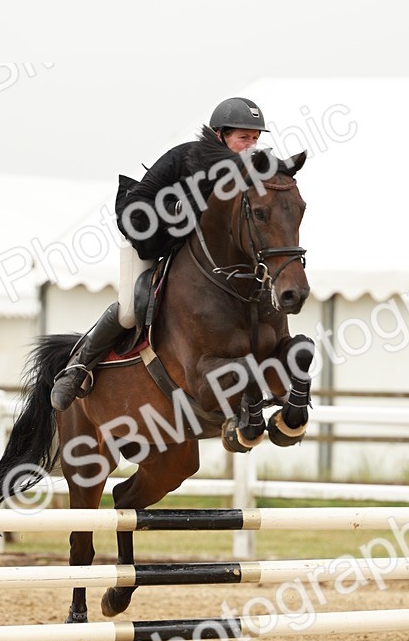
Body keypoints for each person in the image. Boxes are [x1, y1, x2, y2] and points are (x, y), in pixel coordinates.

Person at [49, 97, 268, 411]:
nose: (250, 146)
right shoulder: (185, 157)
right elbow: (139, 202)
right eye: (243, 138)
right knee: (129, 309)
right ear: (220, 135)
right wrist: (179, 207)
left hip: (199, 257)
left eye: (255, 139)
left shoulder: (247, 174)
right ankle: (76, 368)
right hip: (152, 237)